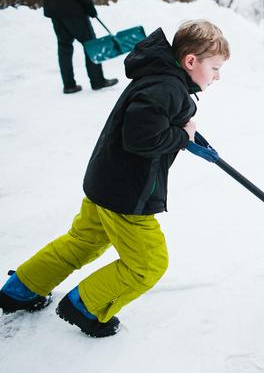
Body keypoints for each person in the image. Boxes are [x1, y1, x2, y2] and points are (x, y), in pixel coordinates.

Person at [0, 20, 230, 337]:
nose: (218, 76)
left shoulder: (160, 79)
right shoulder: (166, 88)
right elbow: (140, 138)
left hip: (105, 181)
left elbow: (149, 124)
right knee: (148, 263)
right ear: (191, 61)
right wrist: (179, 135)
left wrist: (181, 129)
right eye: (215, 68)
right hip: (126, 195)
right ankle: (86, 307)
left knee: (83, 242)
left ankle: (20, 290)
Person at [32, 0, 119, 94]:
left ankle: (69, 85)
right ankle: (97, 81)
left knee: (64, 45)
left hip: (54, 8)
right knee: (90, 43)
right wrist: (89, 6)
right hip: (72, 8)